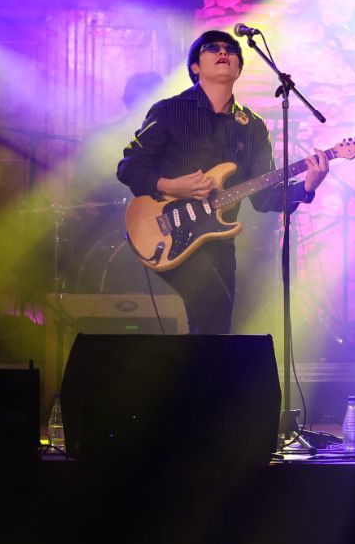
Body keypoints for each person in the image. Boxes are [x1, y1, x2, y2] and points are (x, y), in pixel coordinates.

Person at [116, 30, 329, 334]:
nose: (223, 52)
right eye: (212, 48)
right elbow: (129, 167)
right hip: (165, 229)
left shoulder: (252, 127)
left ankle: (198, 381)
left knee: (216, 326)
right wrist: (172, 186)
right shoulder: (168, 111)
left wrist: (308, 186)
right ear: (195, 67)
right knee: (211, 301)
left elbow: (265, 196)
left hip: (218, 239)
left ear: (239, 69)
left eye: (231, 50)